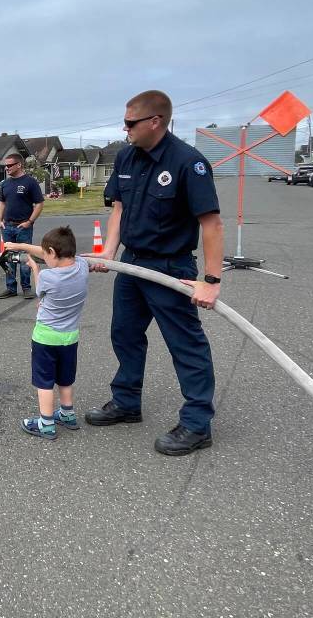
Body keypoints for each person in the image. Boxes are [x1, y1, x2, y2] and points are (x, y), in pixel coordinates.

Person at [85, 90, 224, 456]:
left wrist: (210, 282)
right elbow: (118, 208)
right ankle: (127, 402)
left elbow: (210, 224)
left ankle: (197, 424)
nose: (125, 128)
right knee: (125, 334)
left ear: (155, 122)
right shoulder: (126, 156)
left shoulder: (187, 163)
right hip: (131, 264)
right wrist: (108, 253)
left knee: (185, 344)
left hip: (170, 267)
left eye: (131, 123)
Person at [4, 226, 89, 441]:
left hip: (46, 338)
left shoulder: (49, 277)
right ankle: (67, 414)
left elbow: (39, 290)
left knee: (45, 382)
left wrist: (34, 267)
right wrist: (20, 246)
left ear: (52, 253)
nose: (43, 257)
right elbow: (48, 253)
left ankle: (46, 423)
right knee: (65, 378)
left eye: (45, 254)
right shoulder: (82, 266)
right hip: (70, 337)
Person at [0, 153, 44, 298]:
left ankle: (26, 288)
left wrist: (29, 222)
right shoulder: (4, 184)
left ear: (19, 165)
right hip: (7, 227)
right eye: (5, 166)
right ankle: (10, 288)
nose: (7, 168)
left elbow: (39, 204)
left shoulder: (30, 182)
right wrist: (0, 220)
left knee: (24, 258)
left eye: (10, 165)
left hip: (23, 227)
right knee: (9, 259)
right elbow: (2, 203)